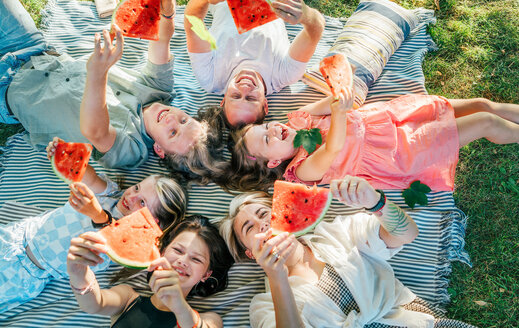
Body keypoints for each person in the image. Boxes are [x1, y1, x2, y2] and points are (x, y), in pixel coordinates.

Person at [0, 0, 226, 179]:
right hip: (35, 49)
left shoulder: (131, 150)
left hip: (8, 92)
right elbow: (162, 40)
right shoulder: (159, 90)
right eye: (184, 119)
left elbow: (95, 132)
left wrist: (97, 73)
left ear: (160, 149)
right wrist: (167, 9)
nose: (171, 118)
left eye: (173, 132)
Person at [218, 176, 476, 327]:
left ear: (283, 214)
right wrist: (277, 278)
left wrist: (375, 201)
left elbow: (407, 233)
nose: (262, 223)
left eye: (264, 214)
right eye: (249, 227)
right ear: (251, 253)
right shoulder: (264, 305)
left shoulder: (336, 233)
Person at [227, 77, 519, 191]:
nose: (274, 130)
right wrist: (339, 110)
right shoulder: (301, 170)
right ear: (273, 163)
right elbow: (332, 148)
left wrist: (340, 90)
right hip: (400, 153)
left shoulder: (301, 118)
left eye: (266, 127)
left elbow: (342, 100)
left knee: (482, 105)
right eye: (268, 140)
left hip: (394, 118)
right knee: (484, 122)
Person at [0, 137, 187, 313]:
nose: (131, 197)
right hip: (18, 235)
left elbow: (106, 234)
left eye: (143, 203)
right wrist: (65, 155)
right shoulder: (110, 193)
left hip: (28, 274)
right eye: (136, 187)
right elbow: (87, 176)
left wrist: (96, 214)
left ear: (153, 222)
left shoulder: (123, 247)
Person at [184, 0, 325, 128]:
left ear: (223, 99)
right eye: (251, 98)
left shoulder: (210, 77)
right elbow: (316, 29)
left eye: (236, 96)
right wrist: (307, 15)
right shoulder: (284, 75)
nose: (245, 88)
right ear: (265, 105)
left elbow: (192, 19)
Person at [67, 215, 234, 328]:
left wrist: (178, 304)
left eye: (196, 259)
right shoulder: (128, 298)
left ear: (206, 275)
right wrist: (78, 273)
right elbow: (95, 304)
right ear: (161, 253)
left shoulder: (210, 320)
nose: (183, 261)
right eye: (177, 250)